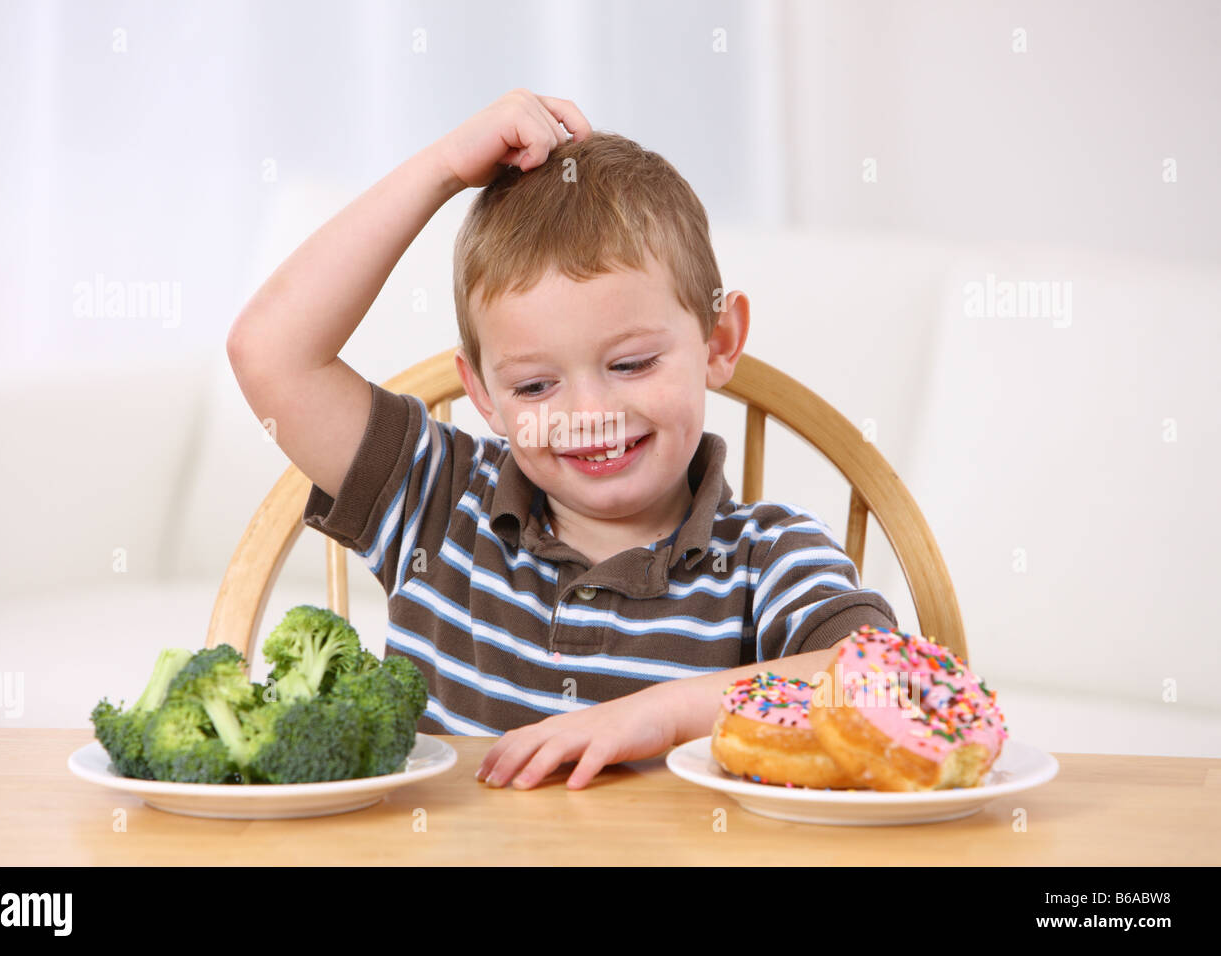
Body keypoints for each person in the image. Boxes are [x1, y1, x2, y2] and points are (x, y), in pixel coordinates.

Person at [227, 89, 897, 791]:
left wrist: (662, 715)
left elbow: (883, 681)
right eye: (535, 387)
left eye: (632, 364)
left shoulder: (767, 558)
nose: (589, 413)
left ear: (718, 342)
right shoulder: (438, 502)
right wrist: (442, 170)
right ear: (482, 393)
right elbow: (269, 352)